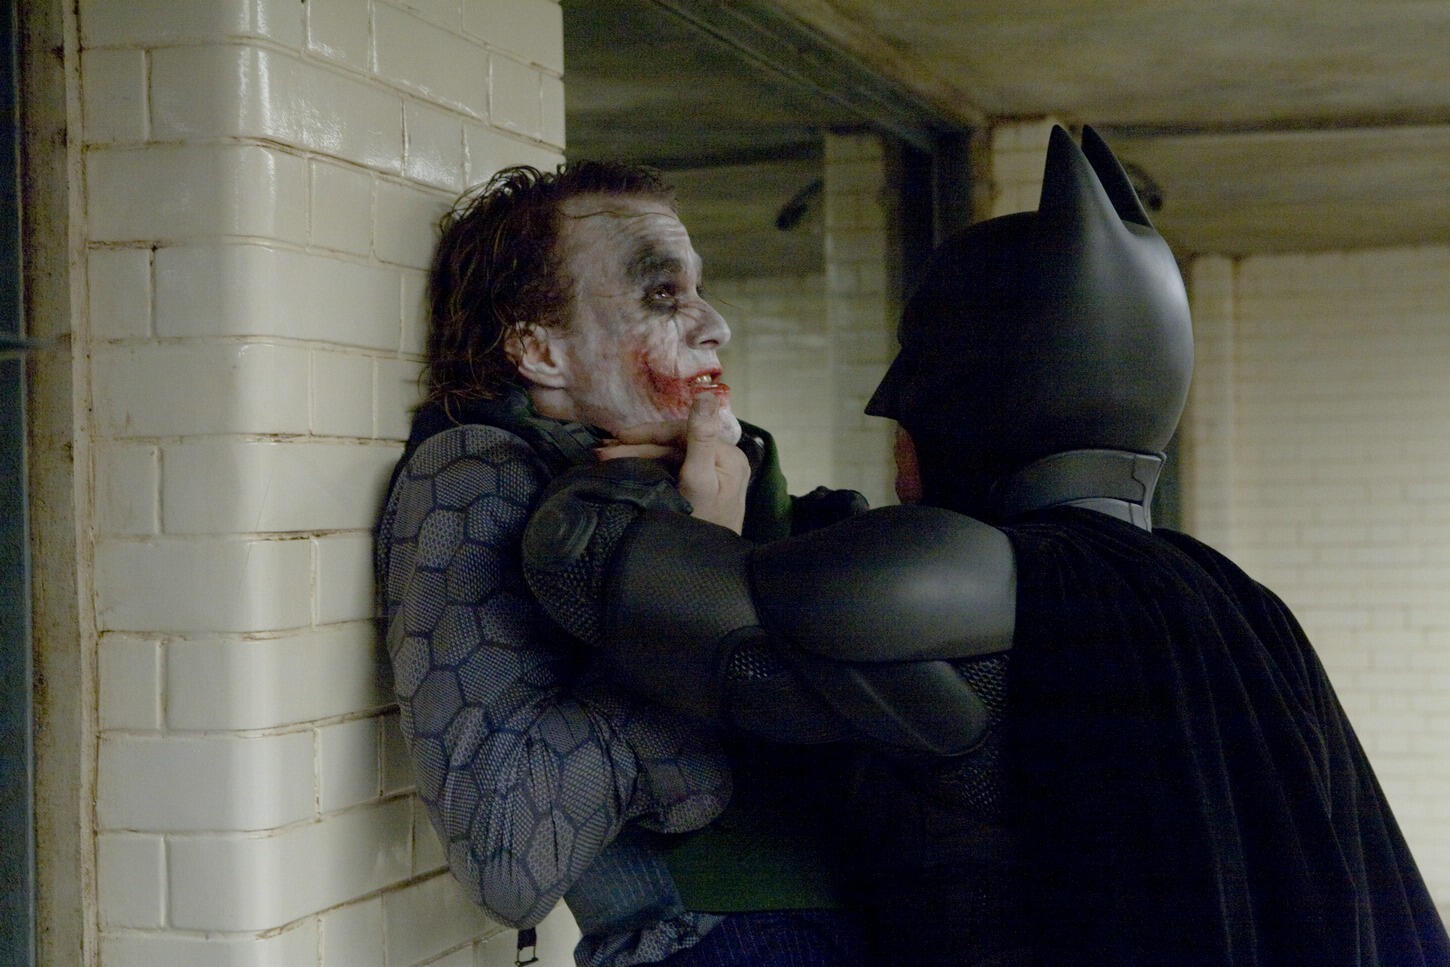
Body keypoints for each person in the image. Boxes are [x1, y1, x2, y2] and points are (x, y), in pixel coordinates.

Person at [520, 128, 1450, 965]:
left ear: (959, 405)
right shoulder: (1235, 604)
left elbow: (592, 565)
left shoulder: (972, 582)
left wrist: (652, 462)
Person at [374, 161, 870, 967]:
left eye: (699, 289)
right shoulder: (477, 477)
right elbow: (508, 854)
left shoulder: (679, 469)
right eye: (663, 295)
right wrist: (692, 567)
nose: (716, 326)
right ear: (541, 349)